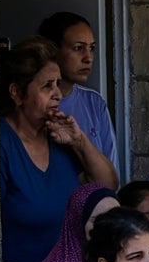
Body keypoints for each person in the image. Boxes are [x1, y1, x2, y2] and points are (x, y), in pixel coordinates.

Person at [0, 38, 117, 262]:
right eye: (47, 86)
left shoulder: (58, 135)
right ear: (17, 93)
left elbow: (107, 186)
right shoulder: (2, 143)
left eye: (58, 84)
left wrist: (80, 141)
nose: (58, 95)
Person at [37, 12, 119, 167]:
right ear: (53, 50)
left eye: (92, 48)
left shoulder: (94, 103)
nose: (88, 57)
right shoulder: (34, 103)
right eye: (78, 48)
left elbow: (112, 174)